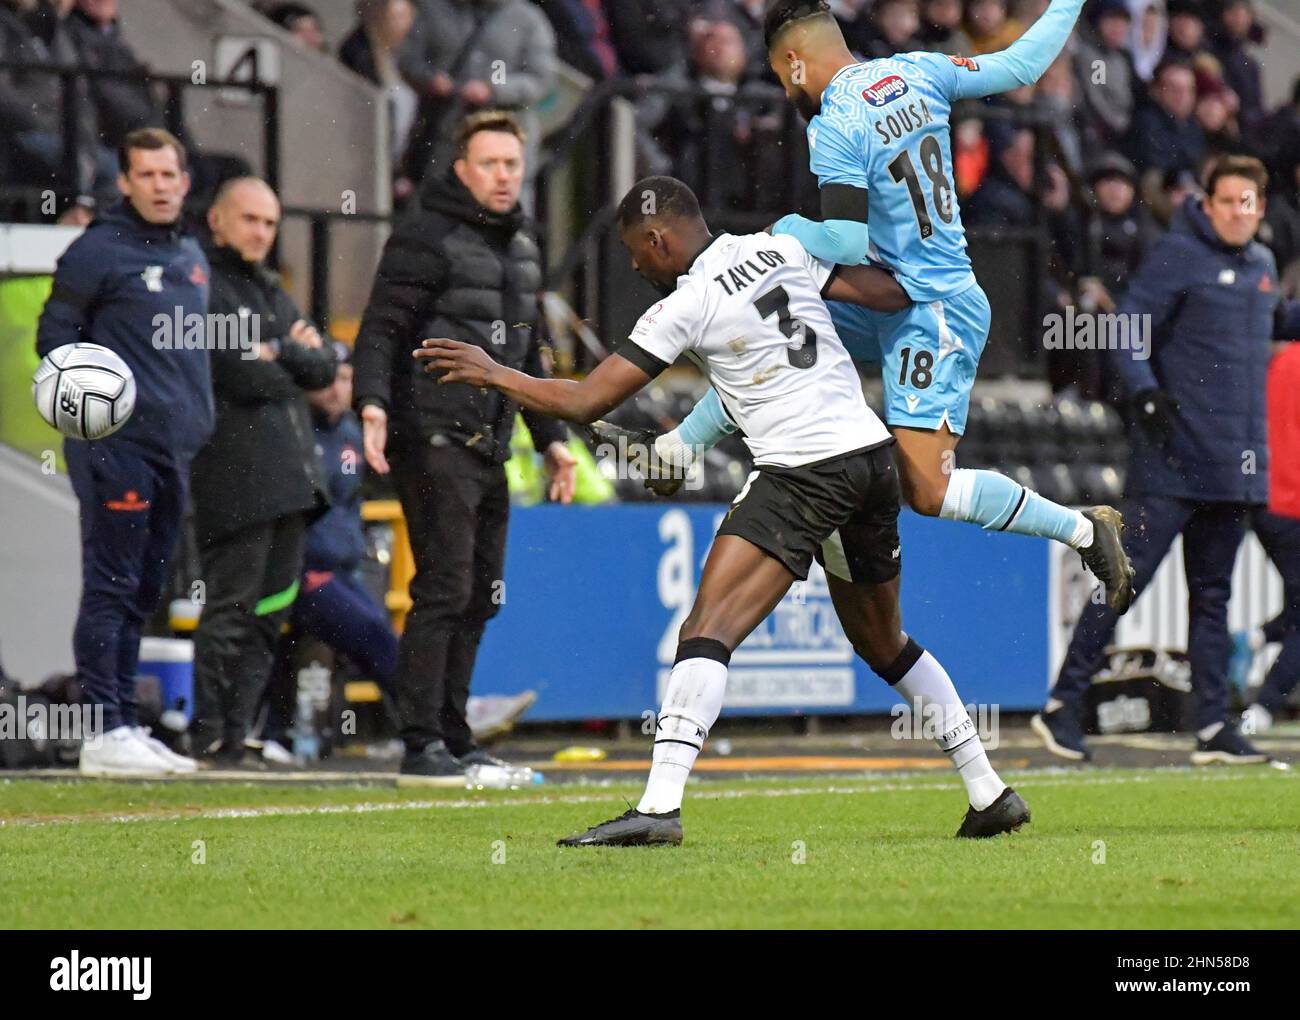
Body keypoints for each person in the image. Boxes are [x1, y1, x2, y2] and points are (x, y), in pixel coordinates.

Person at [418, 175, 1030, 845]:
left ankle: (658, 809)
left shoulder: (688, 302)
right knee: (885, 643)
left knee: (706, 628)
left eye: (635, 252)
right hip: (870, 457)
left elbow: (586, 399)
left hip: (804, 471)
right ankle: (988, 791)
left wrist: (495, 371)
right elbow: (890, 292)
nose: (634, 265)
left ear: (658, 238)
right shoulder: (782, 249)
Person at [644, 0, 1136, 613]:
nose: (782, 87)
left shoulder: (833, 126)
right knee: (787, 337)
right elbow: (1023, 63)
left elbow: (844, 241)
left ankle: (1085, 529)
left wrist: (790, 229)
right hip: (891, 291)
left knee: (928, 490)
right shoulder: (918, 70)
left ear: (793, 63)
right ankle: (679, 447)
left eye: (777, 73)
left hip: (935, 310)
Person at [1032, 156, 1285, 765]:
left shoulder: (1263, 266)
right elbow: (1126, 331)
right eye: (1227, 201)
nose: (1237, 213)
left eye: (1247, 202)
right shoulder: (1178, 255)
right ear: (1207, 201)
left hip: (1233, 466)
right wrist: (1144, 395)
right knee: (1122, 581)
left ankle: (1210, 730)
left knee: (1214, 597)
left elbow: (1271, 325)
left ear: (1260, 207)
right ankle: (1063, 705)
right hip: (1171, 461)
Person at [352, 110, 576, 785]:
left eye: (513, 164)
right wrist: (373, 405)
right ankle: (421, 745)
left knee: (481, 594)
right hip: (434, 431)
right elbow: (381, 329)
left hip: (490, 438)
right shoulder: (425, 234)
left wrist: (554, 440)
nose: (505, 176)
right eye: (491, 164)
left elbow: (526, 351)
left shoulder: (522, 244)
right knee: (445, 587)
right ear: (462, 169)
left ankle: (453, 737)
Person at [36, 127, 212, 777]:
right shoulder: (96, 251)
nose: (161, 187)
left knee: (143, 589)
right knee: (111, 582)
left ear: (184, 182)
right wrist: (97, 424)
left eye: (171, 176)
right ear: (126, 182)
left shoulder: (192, 254)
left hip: (174, 449)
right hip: (115, 446)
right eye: (148, 176)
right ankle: (101, 727)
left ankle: (126, 727)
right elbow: (53, 345)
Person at [188, 177, 338, 763]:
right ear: (217, 220)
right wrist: (286, 358)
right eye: (249, 219)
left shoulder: (270, 290)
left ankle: (234, 737)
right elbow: (240, 372)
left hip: (291, 486)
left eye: (270, 223)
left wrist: (283, 352)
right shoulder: (202, 284)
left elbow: (324, 367)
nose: (260, 232)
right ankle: (205, 735)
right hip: (238, 480)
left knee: (269, 618)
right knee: (230, 610)